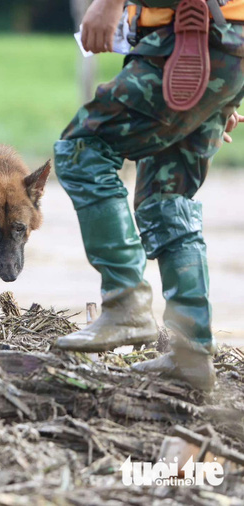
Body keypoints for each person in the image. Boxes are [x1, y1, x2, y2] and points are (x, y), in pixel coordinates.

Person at [53, 0, 244, 390]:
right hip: (220, 45)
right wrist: (227, 90)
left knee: (83, 149)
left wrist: (107, 4)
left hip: (189, 38)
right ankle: (191, 352)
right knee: (166, 196)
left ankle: (126, 304)